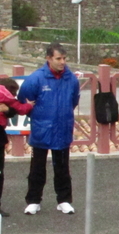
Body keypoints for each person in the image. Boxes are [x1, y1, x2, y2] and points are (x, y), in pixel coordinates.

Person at [17, 43, 80, 215]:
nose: (62, 62)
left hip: (62, 128)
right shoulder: (36, 78)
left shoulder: (71, 79)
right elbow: (24, 99)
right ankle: (33, 200)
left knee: (62, 167)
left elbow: (74, 100)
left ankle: (64, 200)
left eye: (64, 58)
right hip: (41, 129)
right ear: (48, 58)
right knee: (37, 168)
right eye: (58, 58)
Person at [0, 77, 34, 217]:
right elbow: (19, 108)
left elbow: (13, 110)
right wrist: (29, 105)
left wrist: (7, 110)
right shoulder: (6, 97)